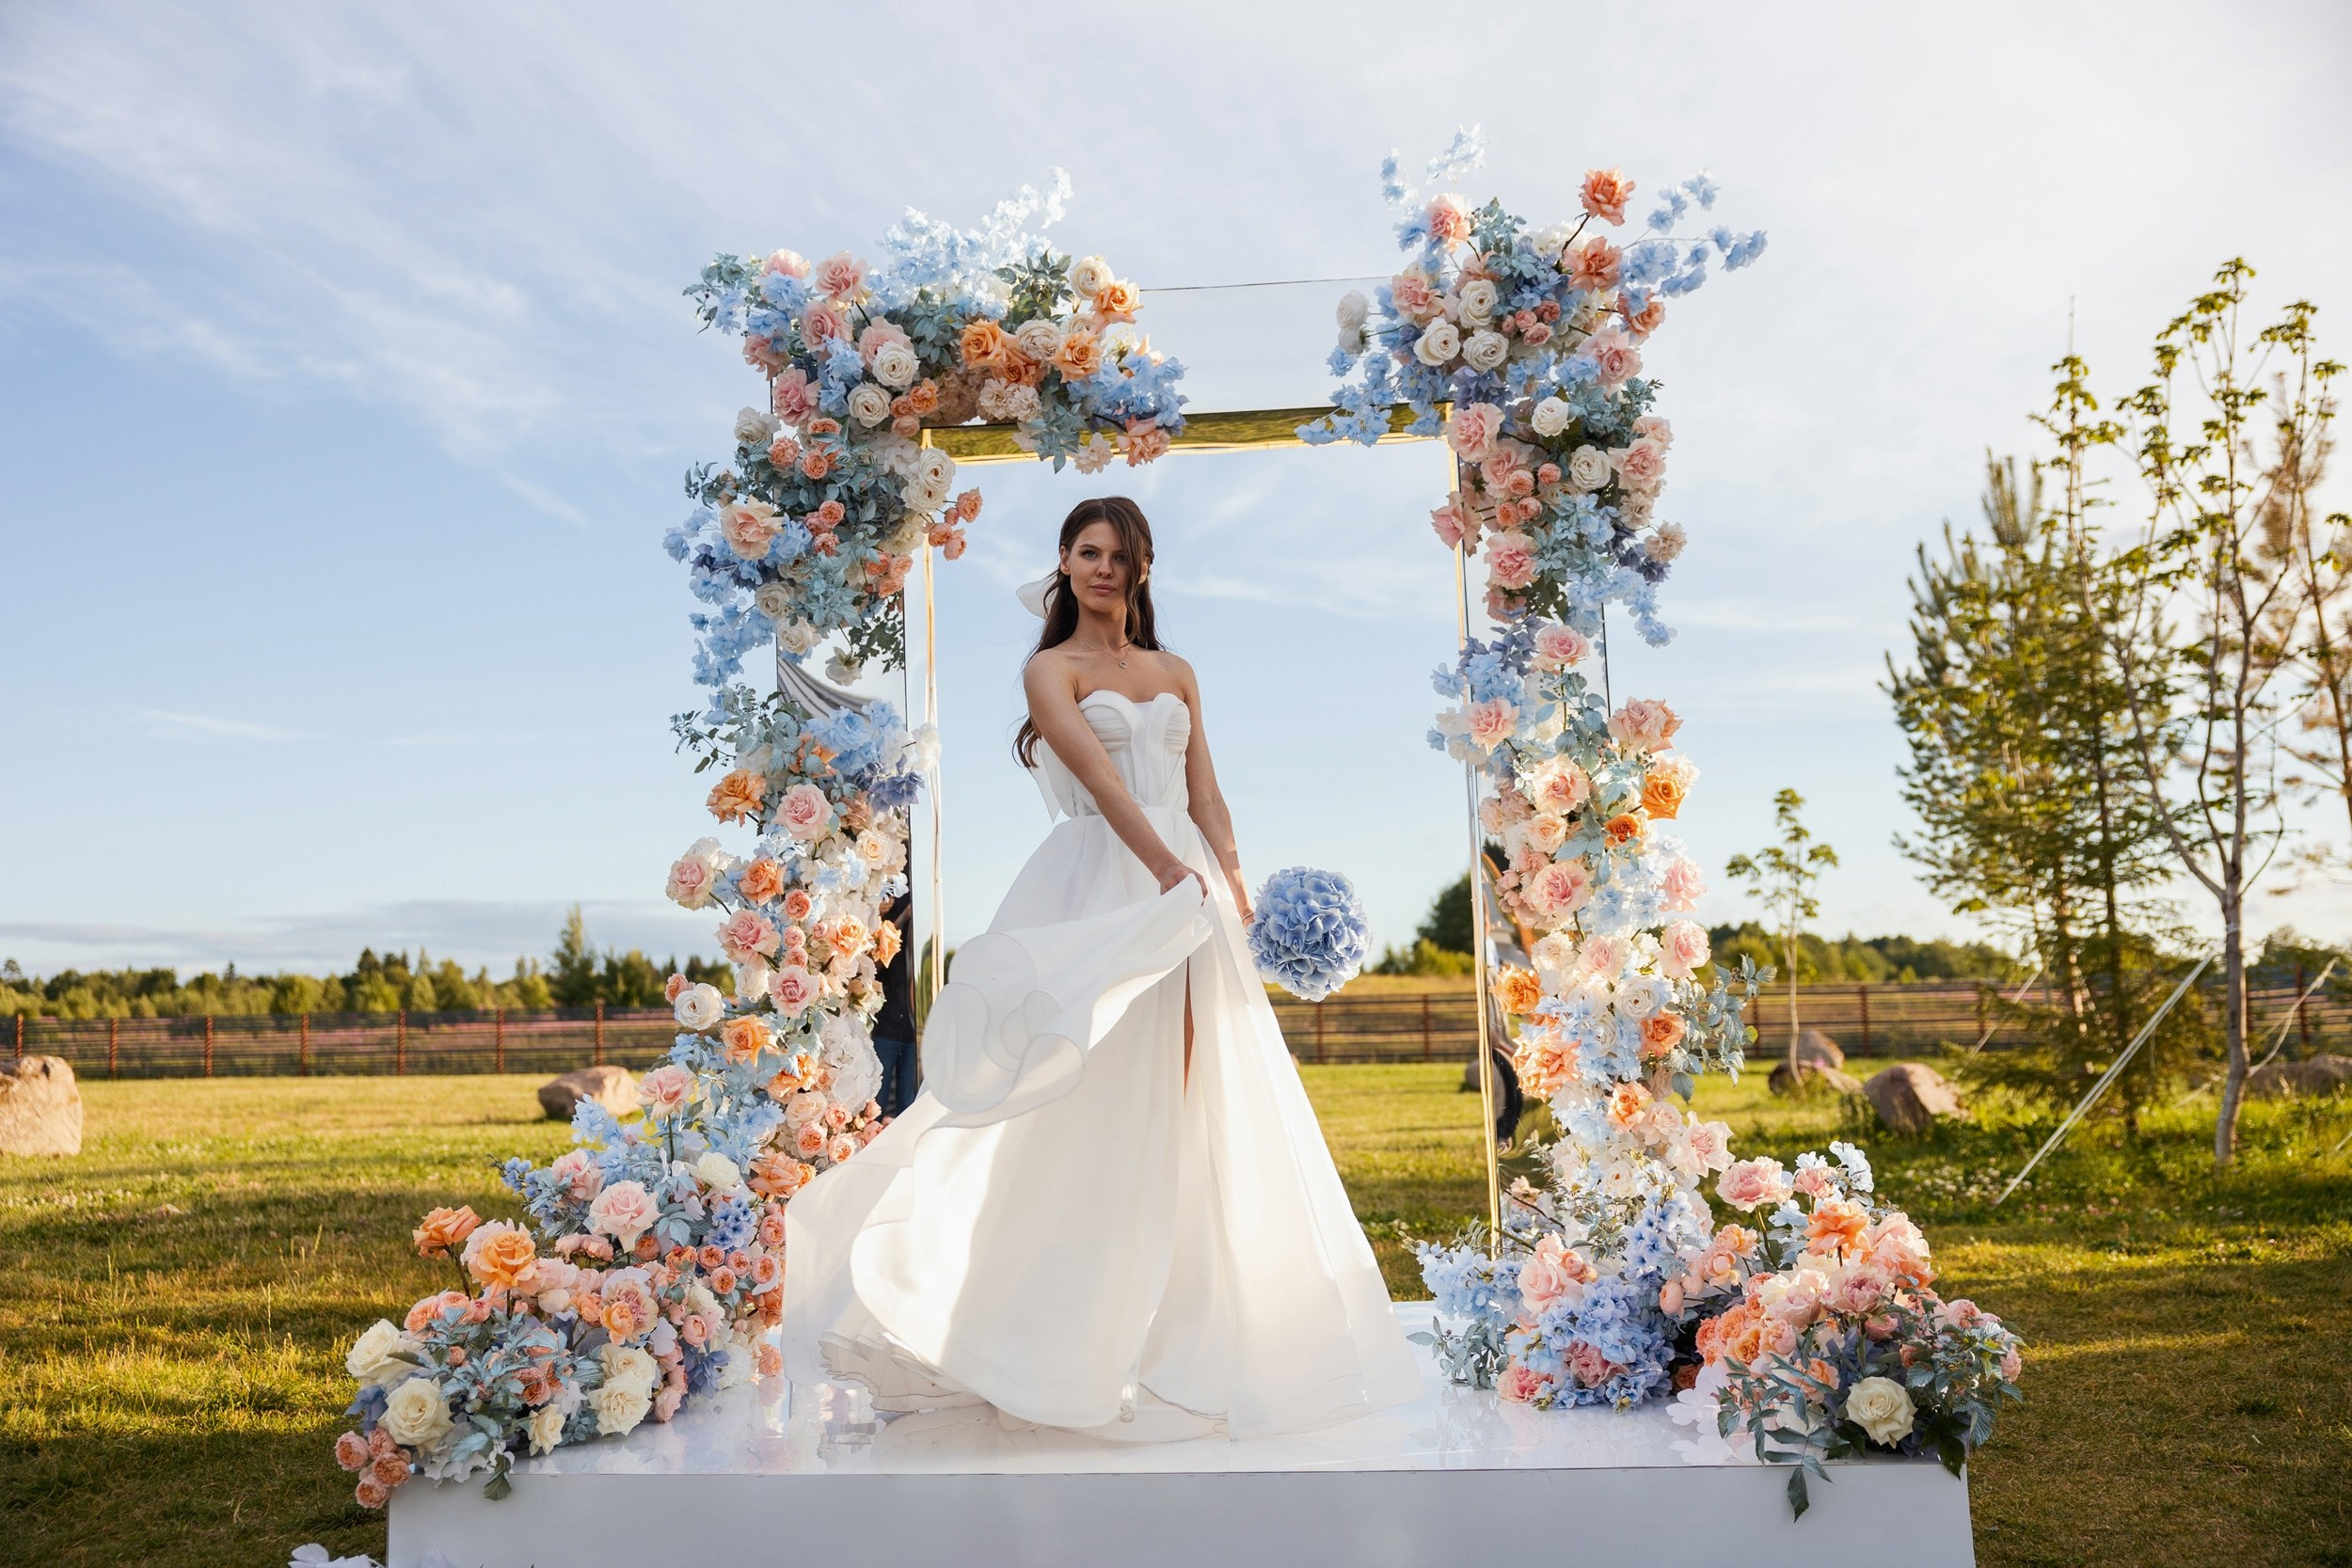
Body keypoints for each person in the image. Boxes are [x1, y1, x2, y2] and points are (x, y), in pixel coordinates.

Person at [783, 496, 1421, 1440]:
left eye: (1119, 554)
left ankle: (1195, 1335)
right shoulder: (1051, 668)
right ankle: (1024, 1328)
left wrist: (1233, 896)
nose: (1102, 568)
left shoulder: (1177, 670)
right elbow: (1101, 778)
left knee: (1199, 1097)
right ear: (1065, 562)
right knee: (1075, 1094)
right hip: (1101, 881)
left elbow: (1206, 794)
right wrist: (1167, 873)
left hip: (1188, 890)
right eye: (1087, 552)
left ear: (1143, 566)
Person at [869, 894, 918, 1117]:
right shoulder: (895, 906)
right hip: (887, 1025)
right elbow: (875, 963)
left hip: (915, 1032)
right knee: (876, 1104)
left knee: (910, 1104)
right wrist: (902, 917)